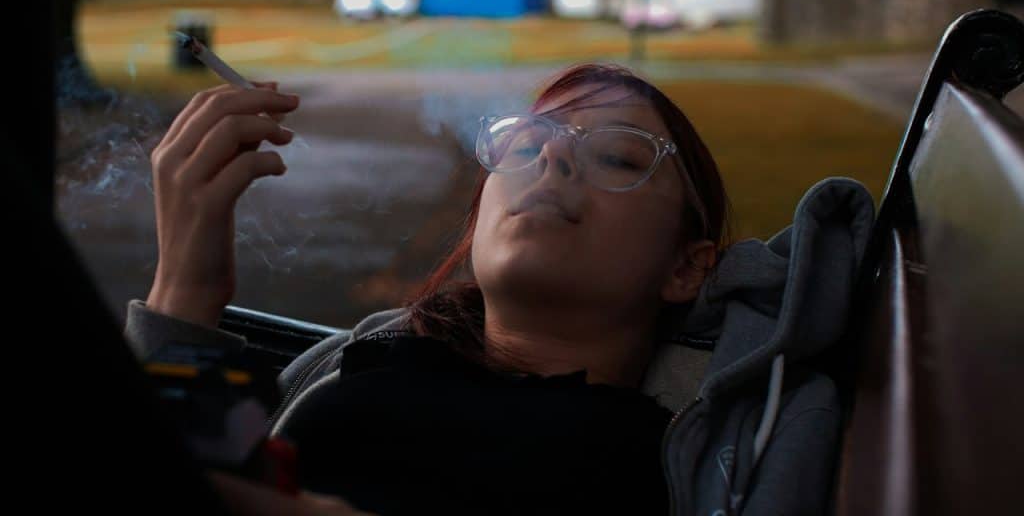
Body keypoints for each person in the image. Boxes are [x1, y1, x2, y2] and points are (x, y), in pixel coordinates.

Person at [126, 63, 873, 515]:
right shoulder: (366, 358)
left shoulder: (714, 442)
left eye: (618, 157)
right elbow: (211, 464)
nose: (551, 163)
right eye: (526, 145)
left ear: (687, 267)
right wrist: (188, 287)